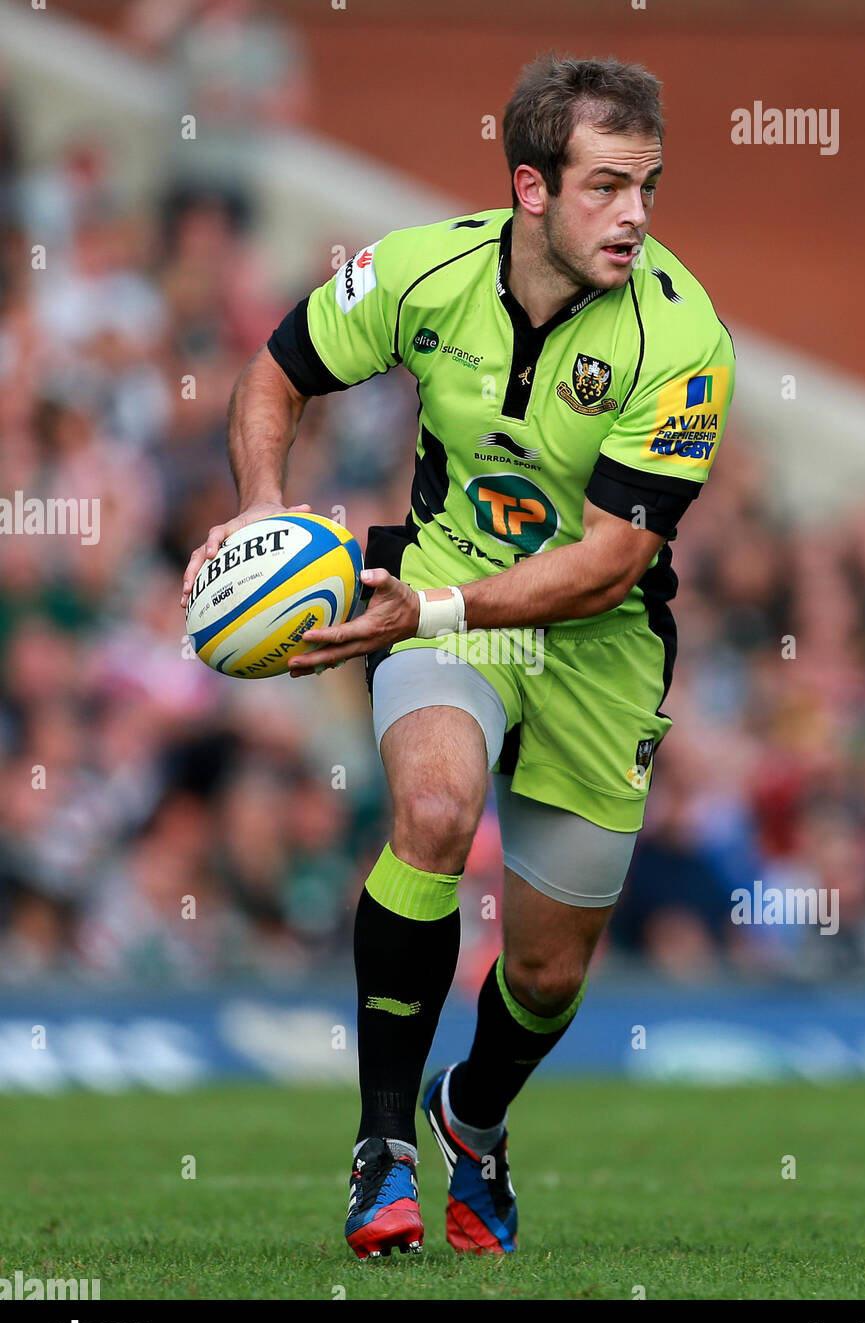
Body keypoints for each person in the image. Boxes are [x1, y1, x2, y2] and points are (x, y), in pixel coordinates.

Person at [181, 53, 735, 1259]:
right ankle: (382, 1147)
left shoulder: (684, 338)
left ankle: (470, 1120)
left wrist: (428, 610)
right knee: (432, 810)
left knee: (543, 973)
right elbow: (274, 373)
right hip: (437, 589)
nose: (636, 214)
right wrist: (263, 508)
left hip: (596, 650)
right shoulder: (418, 271)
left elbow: (609, 562)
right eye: (605, 186)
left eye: (647, 184)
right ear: (531, 189)